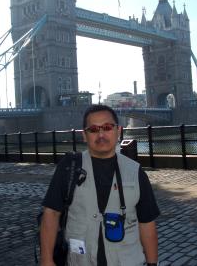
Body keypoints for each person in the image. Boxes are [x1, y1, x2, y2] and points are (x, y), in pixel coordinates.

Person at [40, 104, 160, 266]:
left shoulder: (135, 172)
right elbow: (51, 213)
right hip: (80, 261)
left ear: (118, 131)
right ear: (84, 135)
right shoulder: (69, 167)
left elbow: (146, 223)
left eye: (107, 127)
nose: (101, 134)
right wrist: (46, 260)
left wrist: (153, 263)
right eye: (94, 129)